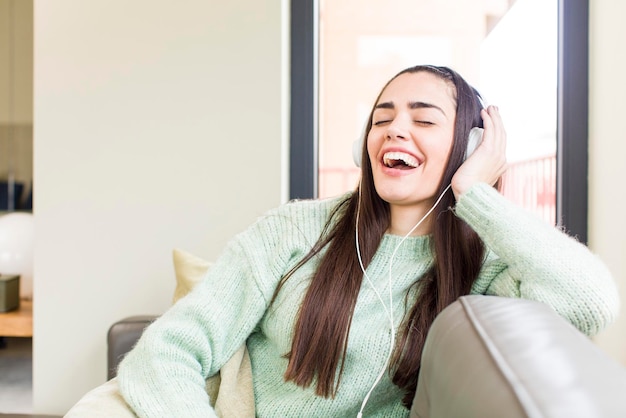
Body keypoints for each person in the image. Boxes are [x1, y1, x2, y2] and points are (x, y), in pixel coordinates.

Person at [117, 65, 619, 417]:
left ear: (469, 149)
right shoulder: (292, 230)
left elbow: (590, 303)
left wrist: (475, 194)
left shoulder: (482, 268)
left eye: (423, 120)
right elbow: (170, 348)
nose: (395, 130)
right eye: (381, 119)